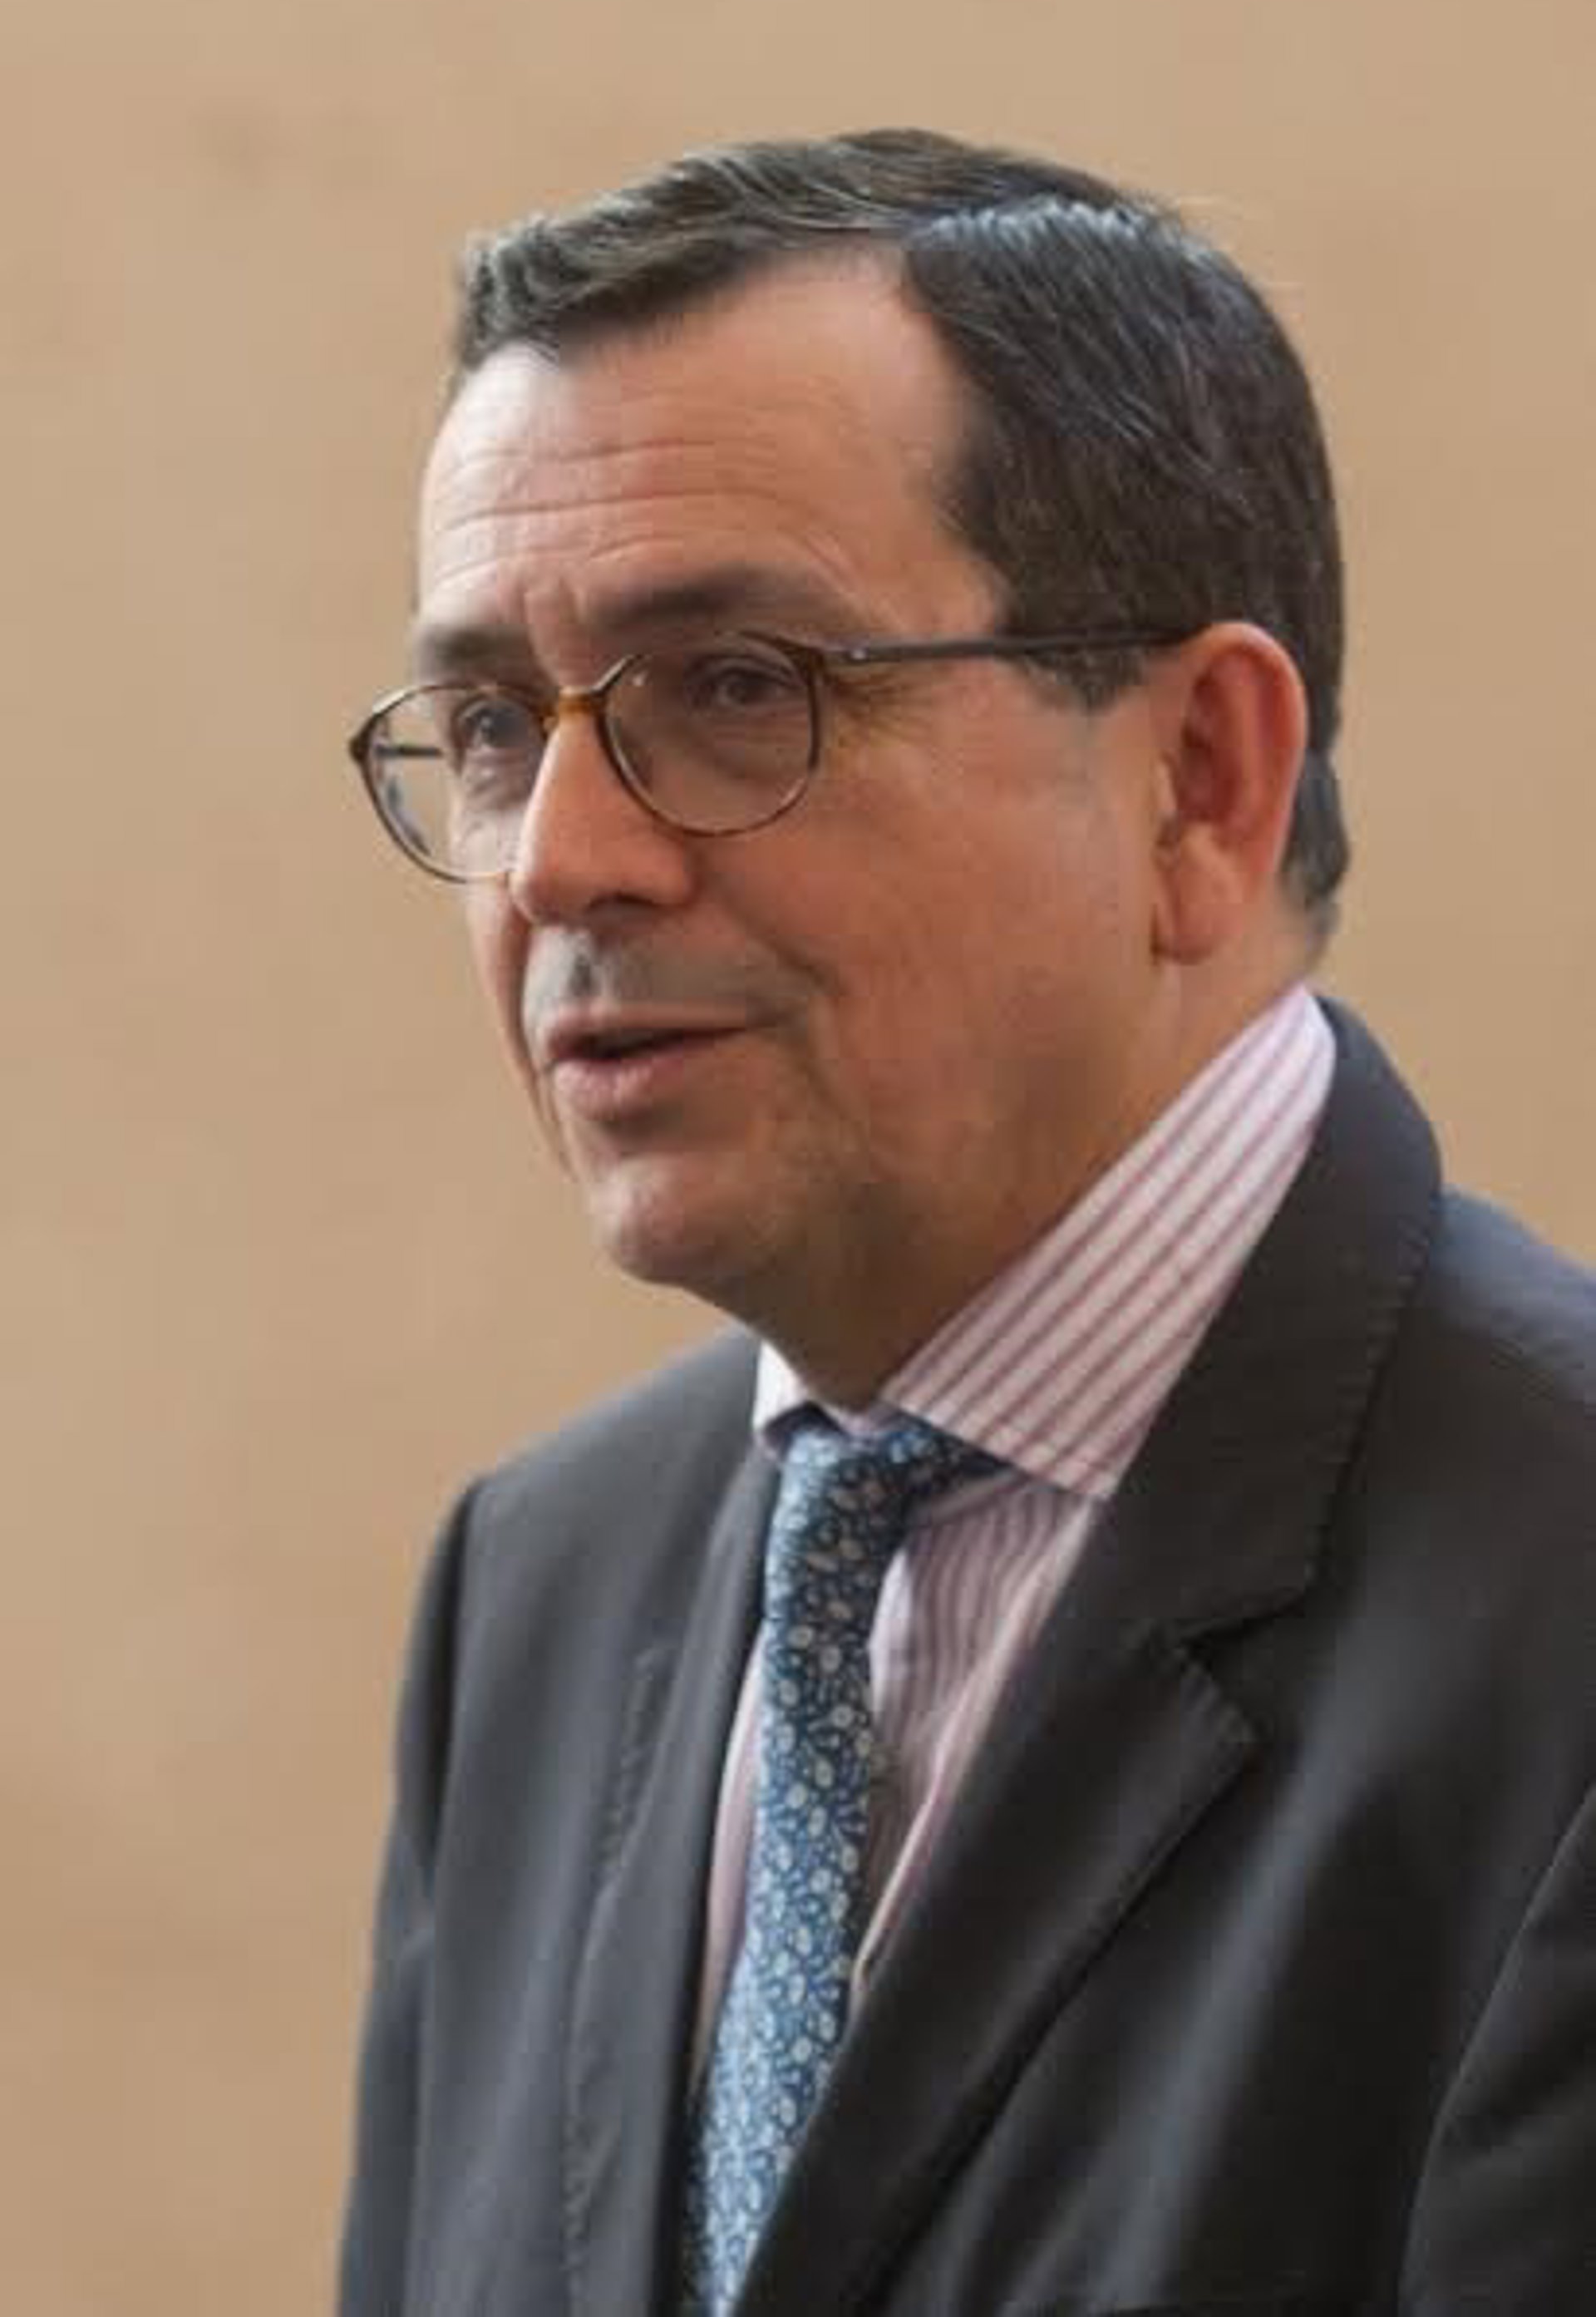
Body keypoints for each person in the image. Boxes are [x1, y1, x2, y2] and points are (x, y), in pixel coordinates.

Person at [338, 131, 1596, 2316]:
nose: (560, 861)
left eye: (736, 686)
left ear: (1200, 778)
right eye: (490, 726)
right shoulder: (535, 1588)